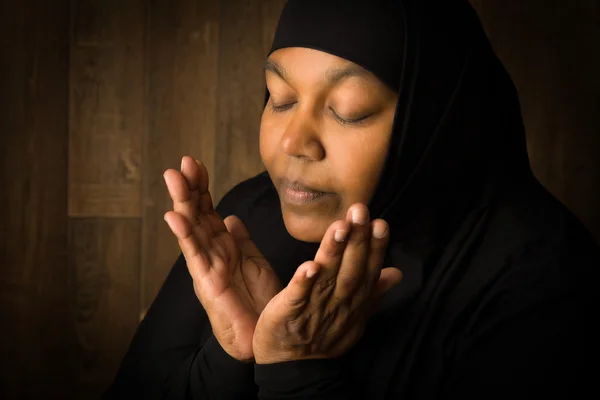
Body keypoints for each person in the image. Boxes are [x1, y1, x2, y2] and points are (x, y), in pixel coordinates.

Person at [104, 0, 600, 399]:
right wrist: (232, 351)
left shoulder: (544, 279)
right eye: (279, 98)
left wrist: (298, 372)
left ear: (433, 127)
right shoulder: (247, 219)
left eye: (348, 110)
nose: (292, 142)